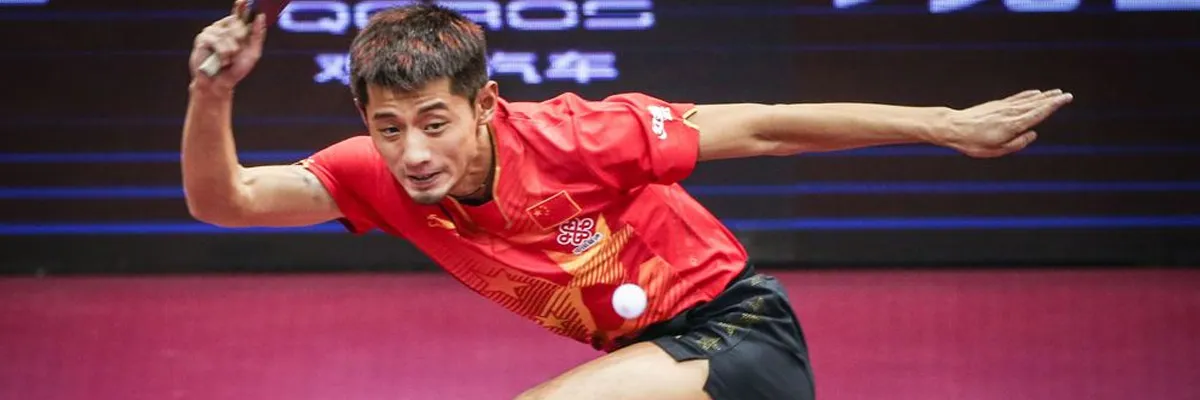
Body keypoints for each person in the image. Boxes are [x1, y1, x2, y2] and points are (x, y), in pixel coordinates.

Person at [182, 2, 1073, 399]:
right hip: (642, 355)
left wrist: (946, 124)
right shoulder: (373, 173)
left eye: (434, 122)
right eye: (388, 127)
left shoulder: (578, 135)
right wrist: (213, 94)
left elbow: (762, 127)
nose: (414, 153)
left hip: (733, 335)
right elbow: (225, 202)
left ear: (484, 105)